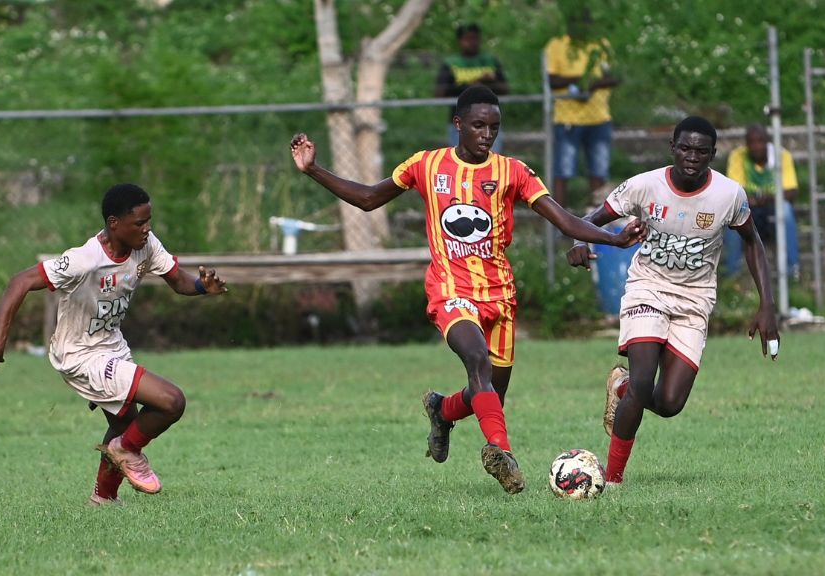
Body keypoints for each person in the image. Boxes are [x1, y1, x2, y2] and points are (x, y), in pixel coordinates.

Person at [290, 86, 646, 494]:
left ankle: (442, 409)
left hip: (500, 294)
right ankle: (502, 455)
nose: (487, 133)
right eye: (478, 125)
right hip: (450, 288)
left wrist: (612, 239)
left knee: (490, 392)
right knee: (476, 359)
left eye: (494, 126)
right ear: (457, 124)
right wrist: (314, 170)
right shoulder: (426, 165)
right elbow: (369, 198)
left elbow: (563, 220)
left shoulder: (513, 171)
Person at [0, 183, 228, 505]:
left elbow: (179, 281)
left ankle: (103, 499)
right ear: (113, 223)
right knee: (171, 401)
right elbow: (20, 281)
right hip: (79, 355)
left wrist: (202, 287)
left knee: (124, 423)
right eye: (139, 223)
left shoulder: (145, 245)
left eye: (149, 221)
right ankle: (125, 449)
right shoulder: (85, 259)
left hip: (112, 347)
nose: (147, 229)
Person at [565, 116, 780, 485]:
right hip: (648, 287)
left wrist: (767, 305)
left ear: (712, 154)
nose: (692, 157)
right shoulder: (644, 186)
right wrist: (580, 241)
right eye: (685, 148)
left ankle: (620, 385)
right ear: (672, 148)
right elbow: (592, 218)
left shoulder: (729, 195)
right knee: (644, 382)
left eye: (701, 151)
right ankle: (612, 481)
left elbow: (751, 241)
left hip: (695, 299)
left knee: (669, 404)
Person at [545, 6, 620, 207]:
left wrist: (592, 86)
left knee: (599, 171)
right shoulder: (557, 45)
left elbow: (614, 76)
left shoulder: (600, 45)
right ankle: (560, 223)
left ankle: (595, 223)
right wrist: (581, 82)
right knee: (563, 171)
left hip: (599, 118)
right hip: (568, 119)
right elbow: (552, 80)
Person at [723, 124, 801, 279]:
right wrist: (753, 200)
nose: (756, 146)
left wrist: (766, 198)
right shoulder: (738, 156)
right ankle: (731, 274)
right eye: (751, 142)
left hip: (773, 205)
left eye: (760, 141)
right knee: (732, 214)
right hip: (748, 207)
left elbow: (791, 192)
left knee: (785, 210)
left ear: (768, 142)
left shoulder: (781, 156)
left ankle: (792, 271)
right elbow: (733, 191)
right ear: (746, 144)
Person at [435, 23, 510, 152]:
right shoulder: (451, 63)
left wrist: (491, 82)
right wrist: (473, 85)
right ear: (460, 41)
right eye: (467, 39)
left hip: (489, 123)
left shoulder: (490, 61)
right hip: (461, 124)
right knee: (461, 161)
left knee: (490, 162)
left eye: (475, 38)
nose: (472, 42)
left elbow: (505, 89)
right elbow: (439, 93)